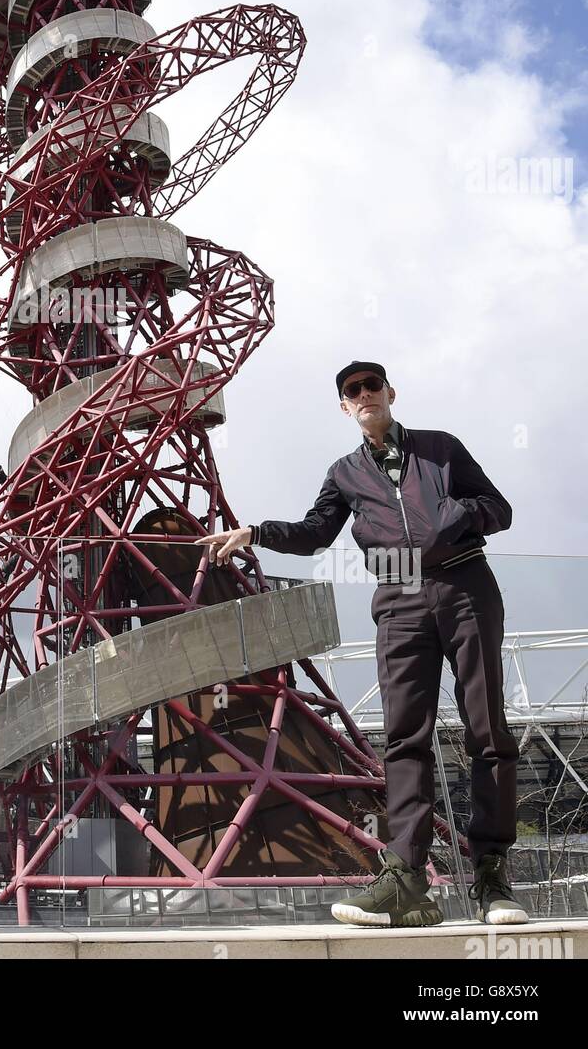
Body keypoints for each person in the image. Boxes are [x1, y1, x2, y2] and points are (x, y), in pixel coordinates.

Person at [196, 360, 527, 929]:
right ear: (344, 407)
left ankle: (492, 875)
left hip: (465, 585)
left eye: (372, 385)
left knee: (487, 730)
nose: (364, 394)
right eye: (352, 391)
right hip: (398, 600)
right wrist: (256, 533)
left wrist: (455, 516)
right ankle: (405, 879)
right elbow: (315, 532)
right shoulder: (345, 472)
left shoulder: (441, 448)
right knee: (403, 738)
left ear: (390, 393)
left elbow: (501, 510)